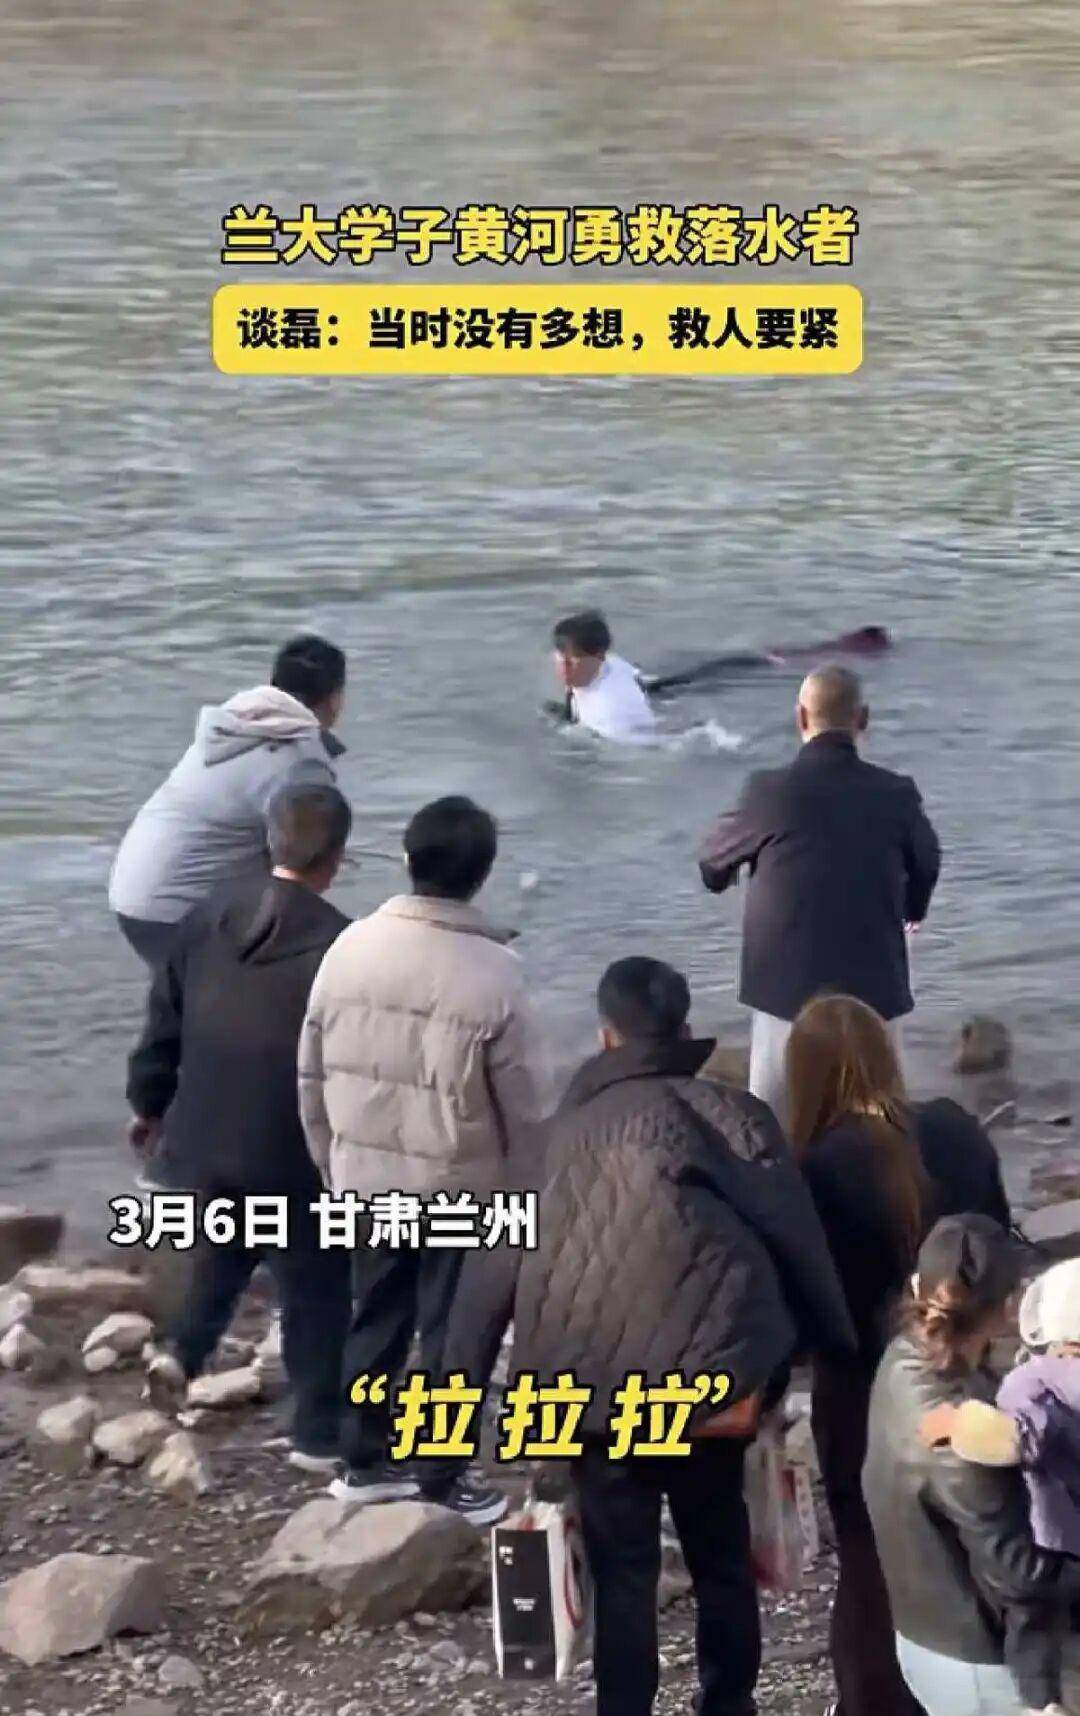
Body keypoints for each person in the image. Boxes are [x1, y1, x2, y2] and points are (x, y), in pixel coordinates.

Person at [512, 956, 857, 1716]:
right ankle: (728, 1703)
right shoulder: (734, 1116)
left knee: (622, 1570)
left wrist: (459, 1376)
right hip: (709, 1382)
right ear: (684, 1025)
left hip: (591, 1394)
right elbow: (794, 1237)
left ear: (606, 1035)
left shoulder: (548, 1138)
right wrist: (832, 1346)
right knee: (721, 1555)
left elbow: (490, 1268)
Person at [298, 794, 540, 1523]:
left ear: (407, 860)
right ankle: (440, 1477)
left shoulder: (349, 947)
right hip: (459, 1188)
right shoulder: (497, 974)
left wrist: (332, 1166)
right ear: (483, 874)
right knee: (449, 1335)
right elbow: (524, 1111)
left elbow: (310, 1076)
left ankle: (363, 1461)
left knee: (374, 1316)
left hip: (364, 1181)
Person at [787, 993, 1012, 1716]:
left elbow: (803, 1303)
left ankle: (878, 1700)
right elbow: (998, 1243)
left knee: (870, 1559)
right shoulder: (953, 1128)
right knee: (981, 1539)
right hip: (967, 1371)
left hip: (862, 1392)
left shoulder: (810, 1169)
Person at [126, 781, 353, 1470]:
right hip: (289, 1150)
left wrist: (148, 1107)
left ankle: (182, 1350)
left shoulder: (205, 915)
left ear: (268, 841)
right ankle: (317, 1434)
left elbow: (162, 1026)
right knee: (316, 1280)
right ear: (337, 857)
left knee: (234, 1235)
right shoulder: (343, 945)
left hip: (198, 1138)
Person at [698, 664, 941, 1126]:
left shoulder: (768, 791)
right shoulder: (895, 793)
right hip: (874, 989)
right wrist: (914, 909)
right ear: (862, 719)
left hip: (784, 992)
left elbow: (711, 862)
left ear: (800, 717)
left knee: (774, 1124)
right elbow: (927, 861)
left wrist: (726, 877)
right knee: (885, 1124)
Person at [864, 1215, 1080, 1716]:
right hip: (982, 1663)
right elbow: (1022, 1574)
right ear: (1006, 1308)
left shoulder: (902, 1357)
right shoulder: (963, 1435)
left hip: (926, 1633)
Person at [110, 635, 347, 966]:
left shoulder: (235, 727)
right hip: (180, 912)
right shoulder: (301, 760)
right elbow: (304, 867)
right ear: (335, 699)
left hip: (133, 894)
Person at [919, 1258, 1080, 1715]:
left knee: (1032, 1622)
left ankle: (1041, 1702)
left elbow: (1016, 1438)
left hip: (1060, 1537)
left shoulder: (1041, 1380)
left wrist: (957, 1423)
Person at [551, 610, 658, 743]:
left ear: (599, 657)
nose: (564, 669)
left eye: (573, 661)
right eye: (560, 659)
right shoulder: (589, 670)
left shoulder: (609, 715)